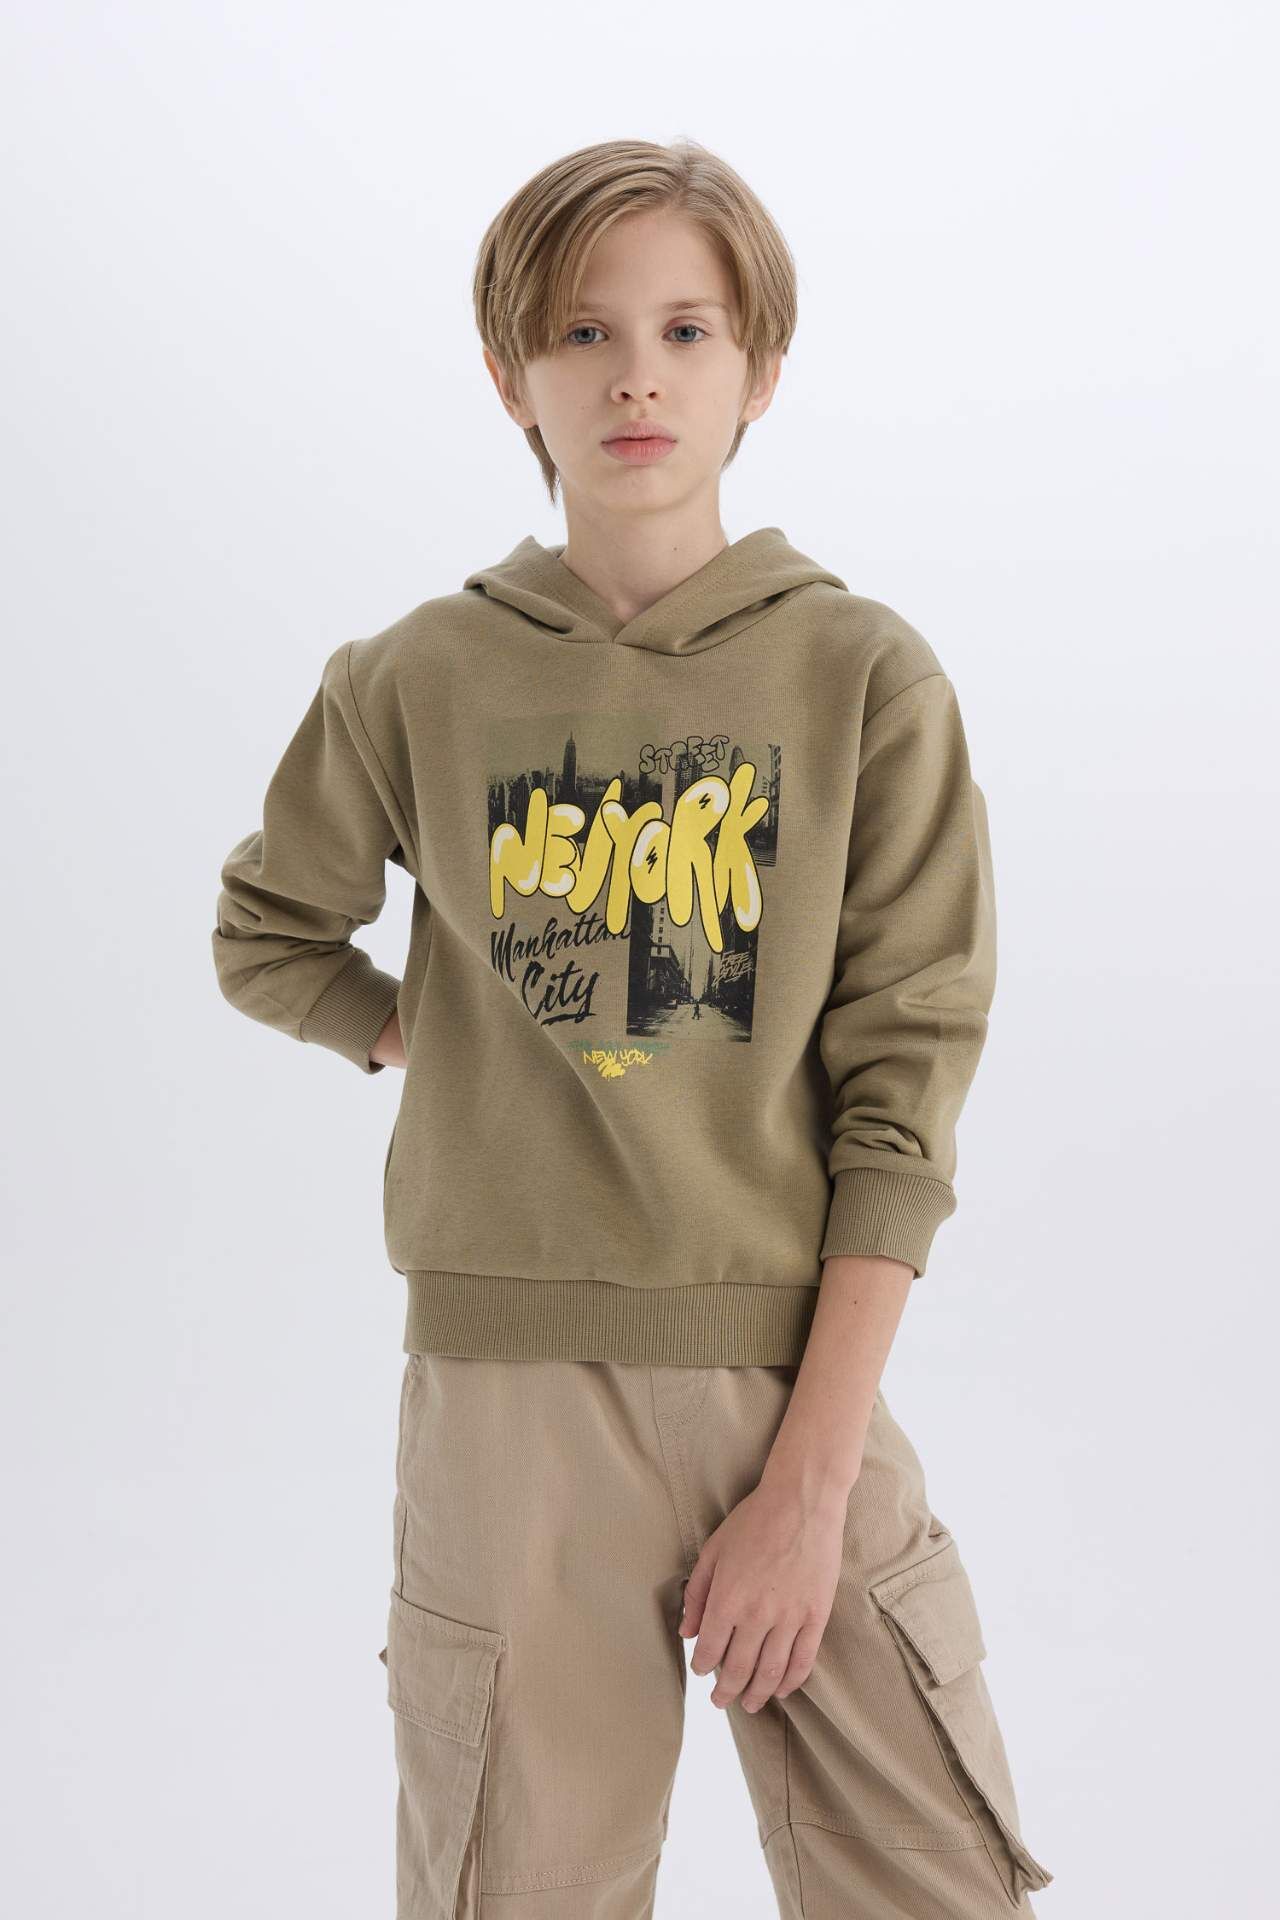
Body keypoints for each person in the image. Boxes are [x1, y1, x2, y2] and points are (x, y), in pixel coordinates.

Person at [211, 138, 1054, 1918]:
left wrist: (807, 1492)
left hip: (788, 1375)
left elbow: (902, 1097)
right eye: (583, 332)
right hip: (503, 1406)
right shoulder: (416, 676)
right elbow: (270, 934)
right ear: (509, 374)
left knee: (934, 1875)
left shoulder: (863, 677)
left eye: (687, 329)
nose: (637, 378)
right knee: (519, 1887)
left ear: (763, 368)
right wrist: (437, 1038)